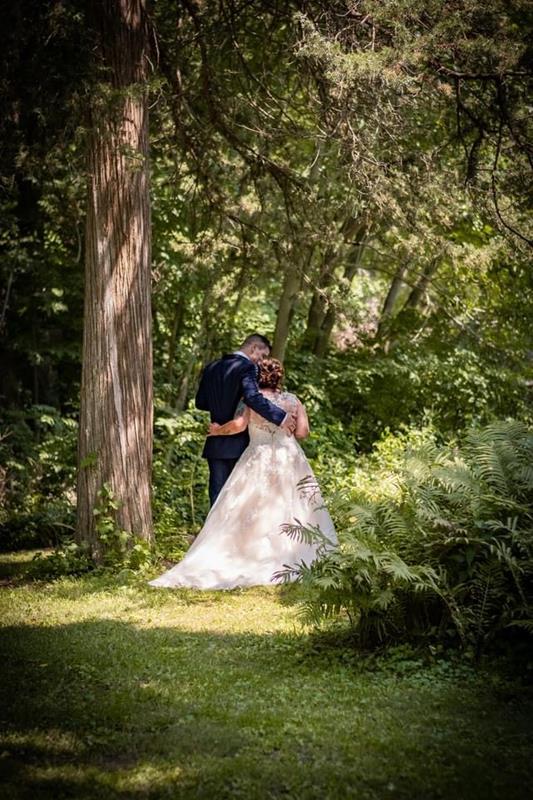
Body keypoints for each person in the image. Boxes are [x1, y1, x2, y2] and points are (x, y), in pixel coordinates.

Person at [148, 357, 337, 590]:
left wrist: (218, 431)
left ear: (258, 378)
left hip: (258, 455)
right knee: (293, 506)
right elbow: (303, 433)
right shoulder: (293, 401)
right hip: (289, 457)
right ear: (280, 377)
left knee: (248, 506)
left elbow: (237, 425)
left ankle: (250, 554)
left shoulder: (251, 402)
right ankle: (289, 554)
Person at [194, 333, 297, 506]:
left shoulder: (212, 367)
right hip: (240, 442)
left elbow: (200, 402)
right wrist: (281, 417)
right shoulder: (248, 367)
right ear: (254, 348)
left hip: (216, 440)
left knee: (217, 496)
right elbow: (252, 398)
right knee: (238, 497)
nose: (261, 361)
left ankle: (216, 533)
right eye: (262, 355)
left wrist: (221, 409)